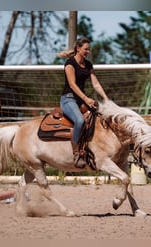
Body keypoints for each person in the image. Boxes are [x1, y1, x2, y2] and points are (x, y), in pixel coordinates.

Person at [60, 37, 109, 168]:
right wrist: (86, 99)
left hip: (80, 100)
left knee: (100, 114)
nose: (88, 52)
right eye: (86, 49)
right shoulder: (69, 63)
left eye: (89, 49)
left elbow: (96, 84)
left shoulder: (88, 65)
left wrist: (106, 99)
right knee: (80, 121)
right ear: (78, 48)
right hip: (68, 99)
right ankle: (76, 154)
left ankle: (94, 147)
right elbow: (72, 84)